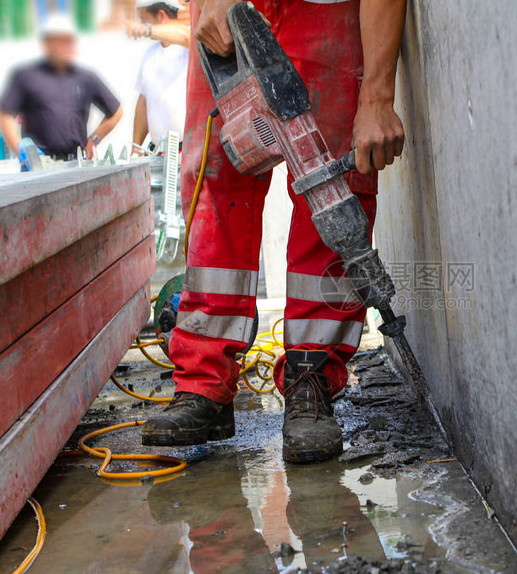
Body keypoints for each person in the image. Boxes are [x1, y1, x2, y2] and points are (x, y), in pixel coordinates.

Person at [142, 0, 406, 465]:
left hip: (323, 9)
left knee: (330, 179)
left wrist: (378, 97)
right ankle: (203, 382)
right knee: (215, 178)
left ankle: (313, 373)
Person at [0, 14, 123, 160]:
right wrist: (22, 152)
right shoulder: (26, 76)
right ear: (48, 44)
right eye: (62, 42)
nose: (68, 46)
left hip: (76, 163)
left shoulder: (86, 78)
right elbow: (5, 115)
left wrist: (94, 139)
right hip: (40, 166)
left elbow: (116, 112)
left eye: (70, 41)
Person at [125, 0, 190, 150]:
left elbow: (184, 35)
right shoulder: (150, 54)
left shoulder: (188, 45)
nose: (143, 23)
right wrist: (136, 147)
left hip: (187, 149)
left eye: (144, 19)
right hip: (157, 150)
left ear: (161, 15)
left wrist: (147, 30)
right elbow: (143, 101)